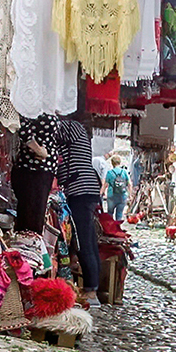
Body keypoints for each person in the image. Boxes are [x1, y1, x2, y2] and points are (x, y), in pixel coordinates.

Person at [53, 112, 106, 297]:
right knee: (88, 238)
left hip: (80, 189)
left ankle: (91, 289)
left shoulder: (69, 127)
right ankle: (92, 286)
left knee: (83, 239)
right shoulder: (77, 129)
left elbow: (49, 133)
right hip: (84, 189)